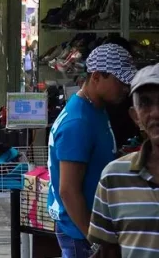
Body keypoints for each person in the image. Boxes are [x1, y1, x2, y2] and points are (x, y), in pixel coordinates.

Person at [47, 43, 134, 258]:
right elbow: (68, 190)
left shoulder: (95, 108)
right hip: (81, 236)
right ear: (96, 77)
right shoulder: (79, 122)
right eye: (119, 80)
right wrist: (94, 240)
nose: (126, 87)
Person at [87, 64, 159, 257]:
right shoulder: (114, 177)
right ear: (135, 116)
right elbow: (107, 250)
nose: (156, 113)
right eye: (145, 103)